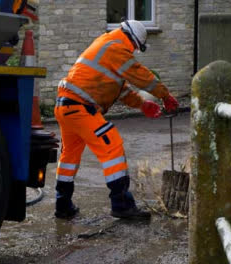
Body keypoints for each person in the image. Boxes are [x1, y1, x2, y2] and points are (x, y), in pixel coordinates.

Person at [54, 20, 179, 219]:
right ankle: (121, 205)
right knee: (112, 147)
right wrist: (165, 95)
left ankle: (62, 205)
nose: (134, 51)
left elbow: (119, 90)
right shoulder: (116, 47)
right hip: (80, 108)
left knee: (69, 158)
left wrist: (142, 104)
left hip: (66, 107)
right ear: (130, 38)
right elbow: (140, 74)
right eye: (136, 47)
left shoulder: (106, 46)